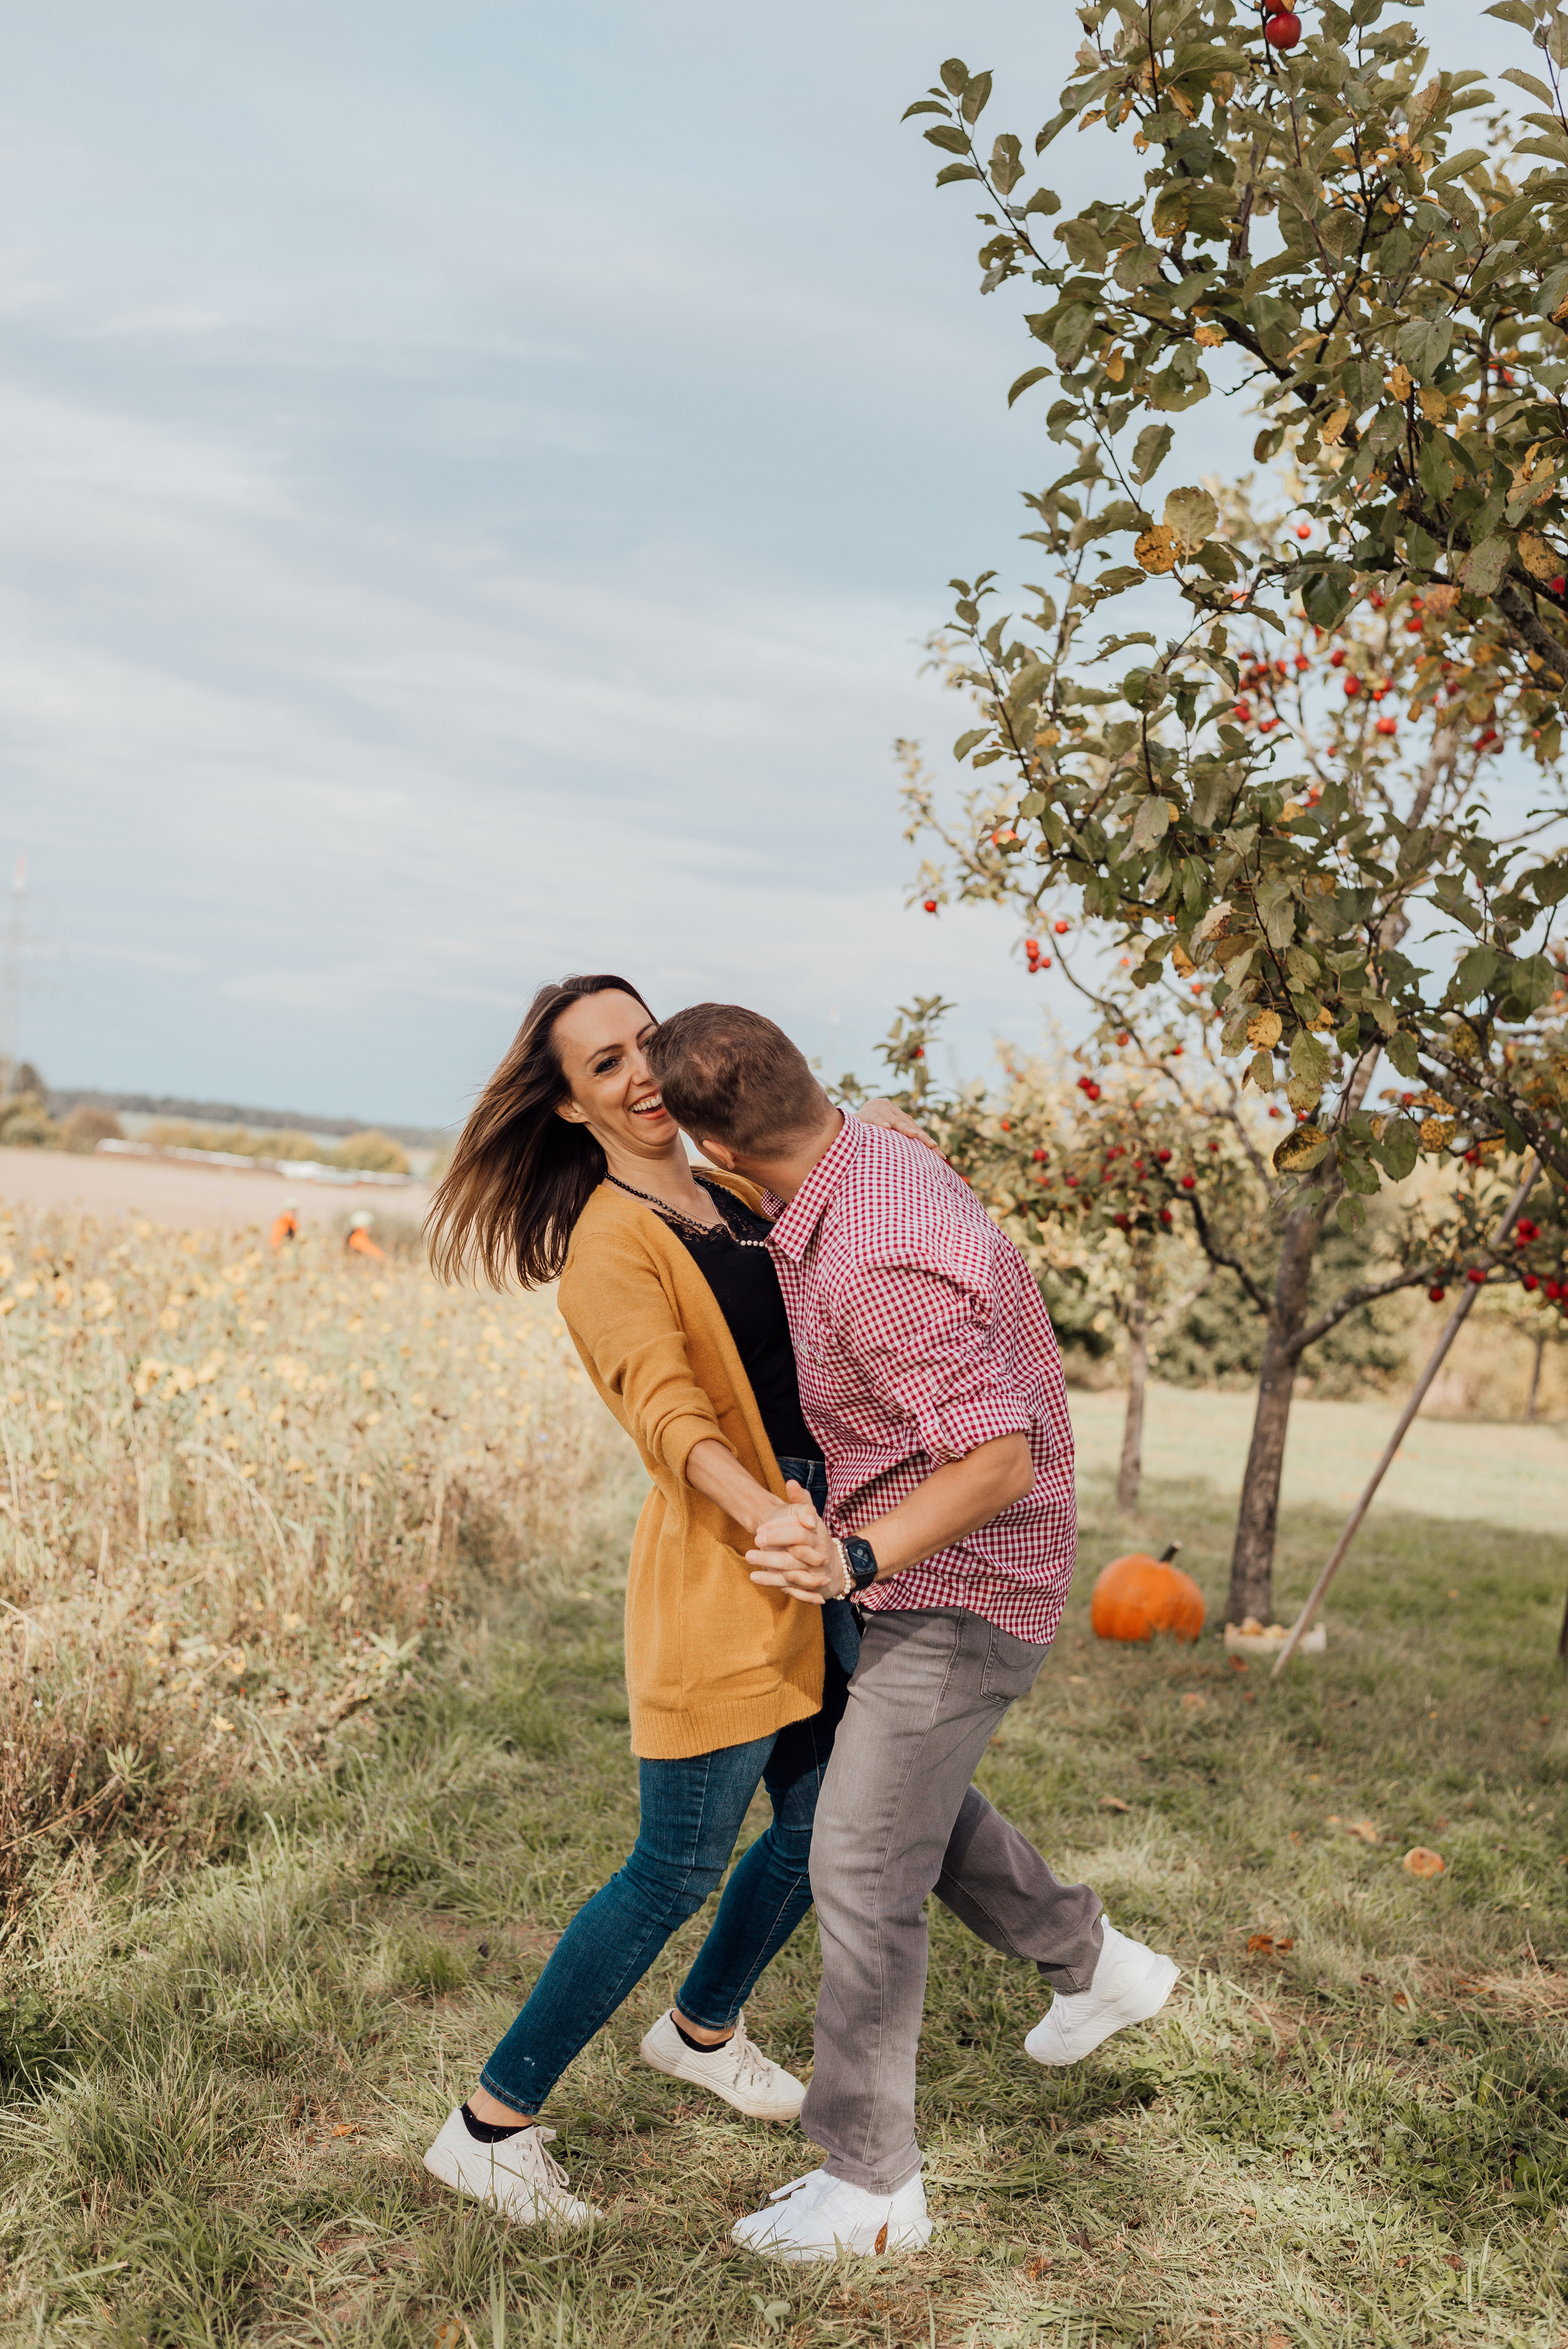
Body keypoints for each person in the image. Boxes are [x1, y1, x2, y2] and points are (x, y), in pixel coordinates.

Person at [646, 1004, 1179, 2263]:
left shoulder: (875, 1255)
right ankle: (1090, 1964)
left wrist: (858, 1554)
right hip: (922, 1575)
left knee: (856, 1868)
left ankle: (872, 2186)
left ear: (716, 1142)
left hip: (956, 1585)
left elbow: (993, 1458)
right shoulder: (870, 1155)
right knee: (901, 1811)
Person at [417, 974, 916, 2230]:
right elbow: (669, 1419)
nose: (640, 1074)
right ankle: (489, 2124)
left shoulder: (732, 1187)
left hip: (813, 1538)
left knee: (827, 1818)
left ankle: (700, 2030)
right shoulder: (609, 1241)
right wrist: (775, 1520)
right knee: (673, 1860)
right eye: (602, 1066)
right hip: (729, 1559)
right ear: (572, 1106)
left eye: (644, 1042)